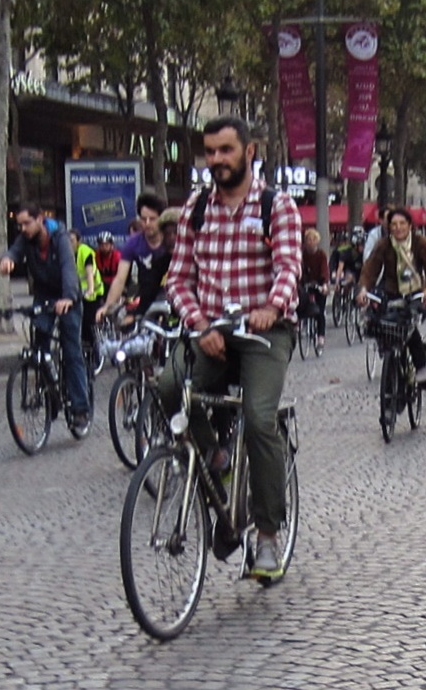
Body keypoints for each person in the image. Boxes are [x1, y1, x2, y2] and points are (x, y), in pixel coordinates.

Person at [158, 115, 302, 579]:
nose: (216, 160)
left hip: (264, 331)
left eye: (226, 150)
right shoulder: (195, 211)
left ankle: (266, 537)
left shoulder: (274, 206)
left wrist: (272, 307)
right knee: (168, 384)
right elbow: (178, 279)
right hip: (213, 331)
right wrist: (200, 325)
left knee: (260, 420)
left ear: (249, 152)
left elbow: (288, 267)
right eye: (210, 152)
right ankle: (217, 460)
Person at [0, 203, 92, 432]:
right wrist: (7, 260)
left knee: (71, 352)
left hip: (67, 296)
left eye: (27, 223)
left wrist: (69, 297)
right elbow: (14, 251)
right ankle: (49, 392)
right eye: (19, 224)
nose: (23, 229)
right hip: (44, 296)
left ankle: (80, 408)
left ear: (40, 219)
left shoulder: (59, 238)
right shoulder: (26, 239)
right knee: (39, 347)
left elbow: (68, 268)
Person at [359, 207, 426, 382]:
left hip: (416, 293)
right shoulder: (384, 244)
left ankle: (420, 365)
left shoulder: (420, 243)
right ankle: (390, 359)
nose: (398, 228)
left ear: (410, 225)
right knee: (380, 320)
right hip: (391, 292)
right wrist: (364, 289)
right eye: (394, 224)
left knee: (408, 326)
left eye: (402, 223)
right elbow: (370, 268)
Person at [96, 192, 171, 323]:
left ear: (161, 218)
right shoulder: (133, 242)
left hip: (172, 297)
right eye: (143, 219)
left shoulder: (172, 240)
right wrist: (107, 306)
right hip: (147, 296)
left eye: (152, 219)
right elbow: (120, 279)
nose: (147, 223)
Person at [69, 229, 104, 355]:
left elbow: (89, 273)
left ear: (79, 241)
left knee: (88, 322)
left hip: (93, 291)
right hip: (78, 292)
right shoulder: (68, 253)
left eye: (72, 240)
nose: (70, 243)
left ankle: (96, 352)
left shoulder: (85, 252)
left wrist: (90, 289)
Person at [299, 228, 330, 349]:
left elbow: (324, 270)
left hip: (319, 284)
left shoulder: (321, 254)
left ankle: (321, 337)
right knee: (301, 303)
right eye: (308, 240)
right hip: (306, 283)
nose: (310, 242)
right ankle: (300, 325)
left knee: (320, 311)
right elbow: (299, 268)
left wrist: (324, 284)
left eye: (313, 240)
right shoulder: (302, 254)